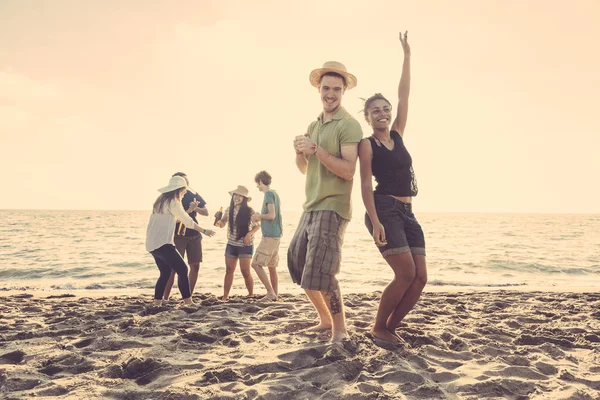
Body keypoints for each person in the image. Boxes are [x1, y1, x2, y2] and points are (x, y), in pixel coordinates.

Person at [358, 32, 427, 343]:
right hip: (384, 209)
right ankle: (379, 327)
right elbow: (363, 185)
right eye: (376, 111)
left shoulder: (397, 133)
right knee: (404, 274)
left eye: (385, 109)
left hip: (408, 211)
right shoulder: (367, 144)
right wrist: (375, 223)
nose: (383, 113)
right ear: (368, 117)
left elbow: (404, 95)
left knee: (420, 277)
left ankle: (390, 326)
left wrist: (407, 58)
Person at [289, 61, 363, 342]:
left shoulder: (349, 125)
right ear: (318, 90)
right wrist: (299, 152)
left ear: (343, 91)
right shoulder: (314, 124)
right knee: (298, 266)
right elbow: (306, 169)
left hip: (333, 206)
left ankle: (340, 330)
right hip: (310, 205)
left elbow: (348, 170)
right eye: (325, 88)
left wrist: (316, 149)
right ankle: (323, 319)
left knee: (323, 271)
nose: (330, 94)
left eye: (336, 89)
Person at [145, 175, 215, 306]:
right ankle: (188, 302)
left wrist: (187, 213)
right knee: (183, 269)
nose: (185, 193)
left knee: (165, 273)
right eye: (184, 191)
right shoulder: (173, 202)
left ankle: (157, 303)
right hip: (163, 243)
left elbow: (174, 219)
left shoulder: (160, 201)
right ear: (179, 190)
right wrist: (205, 231)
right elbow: (188, 222)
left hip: (151, 244)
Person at [163, 172, 208, 300]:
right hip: (177, 235)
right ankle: (165, 298)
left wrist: (195, 209)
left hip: (194, 234)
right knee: (173, 267)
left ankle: (188, 296)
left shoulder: (193, 194)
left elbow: (206, 212)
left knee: (195, 265)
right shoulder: (169, 198)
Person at [214, 185, 260, 301]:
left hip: (245, 245)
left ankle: (250, 295)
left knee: (245, 271)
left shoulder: (250, 211)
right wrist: (217, 220)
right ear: (233, 196)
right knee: (229, 270)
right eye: (236, 195)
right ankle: (225, 296)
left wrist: (249, 235)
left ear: (244, 198)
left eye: (240, 196)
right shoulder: (229, 209)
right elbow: (221, 224)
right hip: (231, 244)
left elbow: (257, 226)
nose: (237, 197)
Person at [251, 171, 283, 301]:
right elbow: (271, 215)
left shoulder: (268, 194)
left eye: (257, 184)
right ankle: (274, 294)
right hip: (276, 234)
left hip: (270, 236)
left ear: (260, 182)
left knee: (256, 264)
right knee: (271, 266)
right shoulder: (274, 193)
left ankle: (270, 293)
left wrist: (259, 216)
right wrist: (260, 218)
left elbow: (271, 215)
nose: (257, 187)